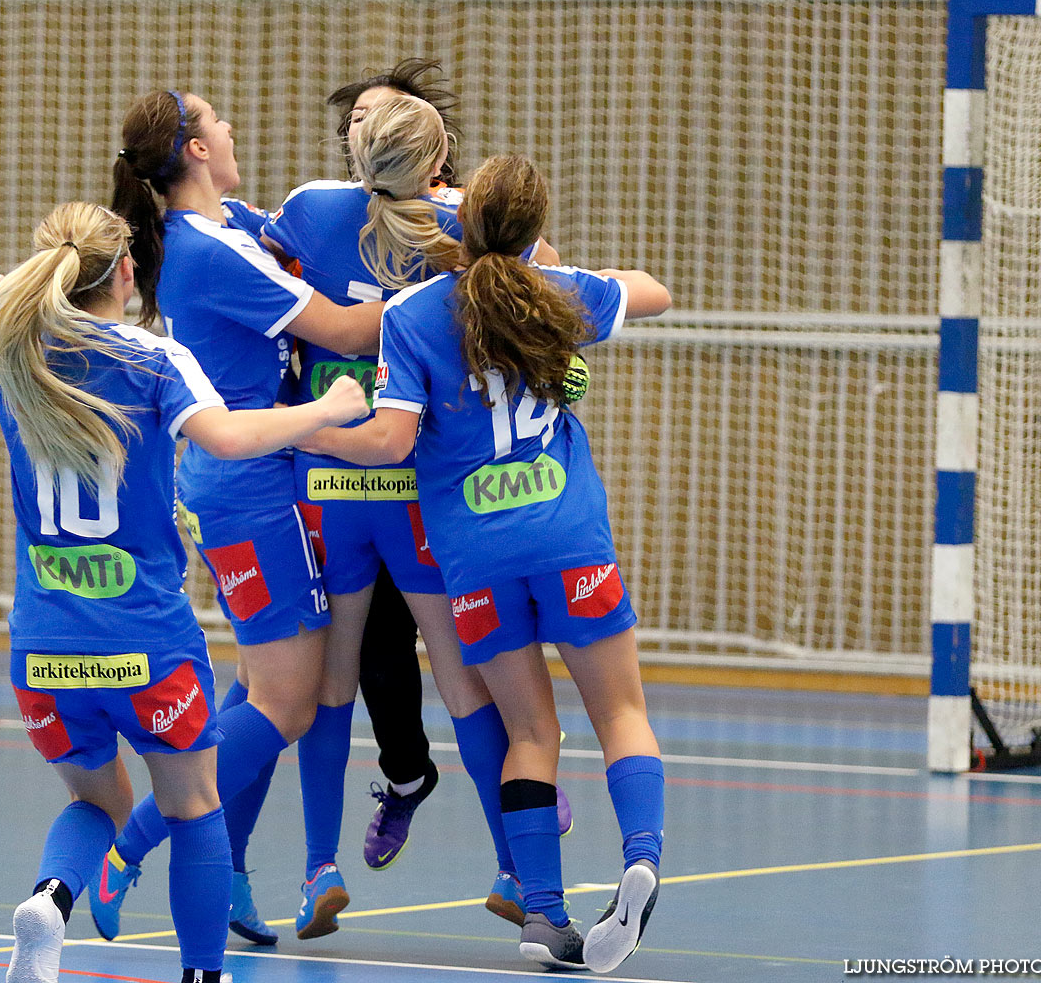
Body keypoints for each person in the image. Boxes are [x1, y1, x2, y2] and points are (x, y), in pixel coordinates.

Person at [0, 201, 368, 983]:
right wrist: (323, 410)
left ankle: (51, 899)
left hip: (44, 649)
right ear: (127, 272)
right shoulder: (157, 359)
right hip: (145, 641)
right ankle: (203, 974)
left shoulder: (16, 357)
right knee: (194, 805)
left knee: (97, 804)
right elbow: (228, 438)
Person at [301, 155, 670, 973]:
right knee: (622, 713)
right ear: (537, 230)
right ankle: (641, 856)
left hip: (475, 554)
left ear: (458, 223)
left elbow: (390, 442)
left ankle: (544, 915)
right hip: (569, 536)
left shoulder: (415, 311)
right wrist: (566, 268)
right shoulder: (560, 293)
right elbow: (654, 290)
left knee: (531, 731)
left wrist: (310, 430)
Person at [257, 94, 562, 928]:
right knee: (464, 681)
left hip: (331, 475)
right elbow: (549, 300)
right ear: (440, 156)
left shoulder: (311, 210)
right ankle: (517, 871)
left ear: (364, 152)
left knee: (330, 682)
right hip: (424, 484)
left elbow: (248, 263)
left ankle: (318, 870)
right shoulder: (470, 218)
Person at [90, 89, 385, 945]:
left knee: (264, 686)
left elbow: (303, 229)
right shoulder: (209, 253)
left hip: (242, 481)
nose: (230, 127)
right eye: (214, 118)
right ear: (192, 149)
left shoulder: (234, 227)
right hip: (248, 487)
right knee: (288, 706)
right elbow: (348, 328)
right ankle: (133, 848)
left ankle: (225, 869)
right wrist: (456, 296)